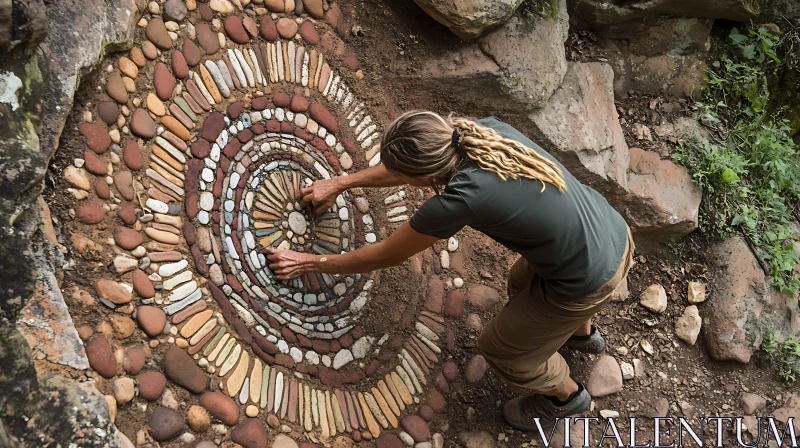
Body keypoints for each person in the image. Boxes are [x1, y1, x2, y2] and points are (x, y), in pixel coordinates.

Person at [266, 111, 635, 430]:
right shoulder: (478, 132)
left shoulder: (458, 199)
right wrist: (341, 182)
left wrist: (312, 262)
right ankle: (580, 334)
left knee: (502, 350)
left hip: (588, 278)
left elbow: (386, 254)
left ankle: (565, 397)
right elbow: (411, 168)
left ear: (424, 178)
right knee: (520, 282)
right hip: (610, 231)